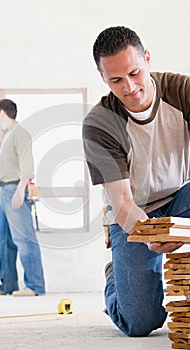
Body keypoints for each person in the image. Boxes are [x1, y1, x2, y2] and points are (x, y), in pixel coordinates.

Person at [82, 26, 190, 336]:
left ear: (147, 58)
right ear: (103, 78)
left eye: (135, 73)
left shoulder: (182, 92)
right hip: (132, 215)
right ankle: (116, 274)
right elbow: (124, 203)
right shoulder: (100, 124)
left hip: (181, 198)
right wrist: (154, 236)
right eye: (116, 80)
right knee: (140, 322)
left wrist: (182, 229)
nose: (130, 87)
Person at [0, 99, 45, 296]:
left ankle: (35, 286)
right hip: (5, 191)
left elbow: (26, 159)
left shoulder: (20, 132)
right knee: (3, 240)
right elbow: (0, 149)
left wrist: (21, 188)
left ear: (2, 112)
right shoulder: (8, 135)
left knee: (24, 238)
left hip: (15, 189)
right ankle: (8, 284)